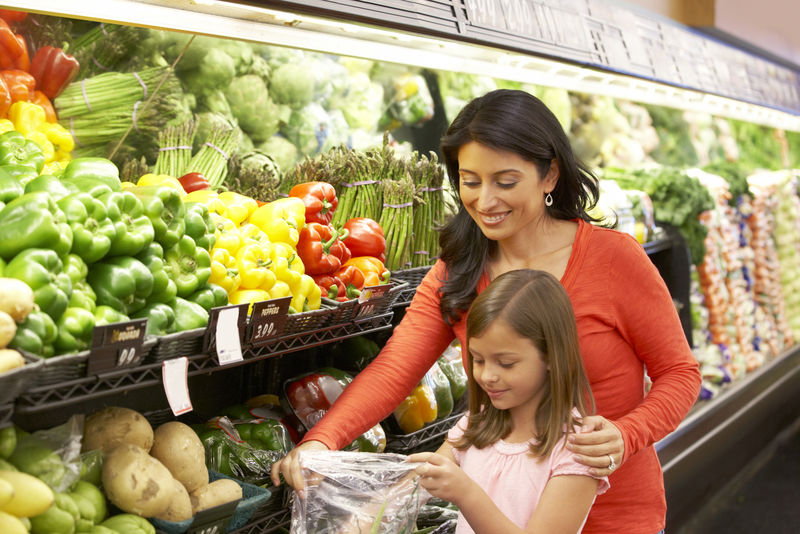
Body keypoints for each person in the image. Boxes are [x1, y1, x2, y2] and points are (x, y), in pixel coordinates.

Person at [272, 89, 701, 534]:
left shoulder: (614, 259)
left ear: (549, 175)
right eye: (470, 180)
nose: (485, 200)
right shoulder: (459, 269)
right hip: (499, 514)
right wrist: (323, 439)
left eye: (506, 181)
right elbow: (397, 367)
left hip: (614, 513)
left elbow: (680, 373)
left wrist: (626, 434)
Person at [409, 268, 609, 533]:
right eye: (478, 360)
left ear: (551, 356)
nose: (487, 375)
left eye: (505, 363)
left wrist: (466, 494)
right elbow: (417, 481)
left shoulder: (577, 451)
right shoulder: (476, 424)